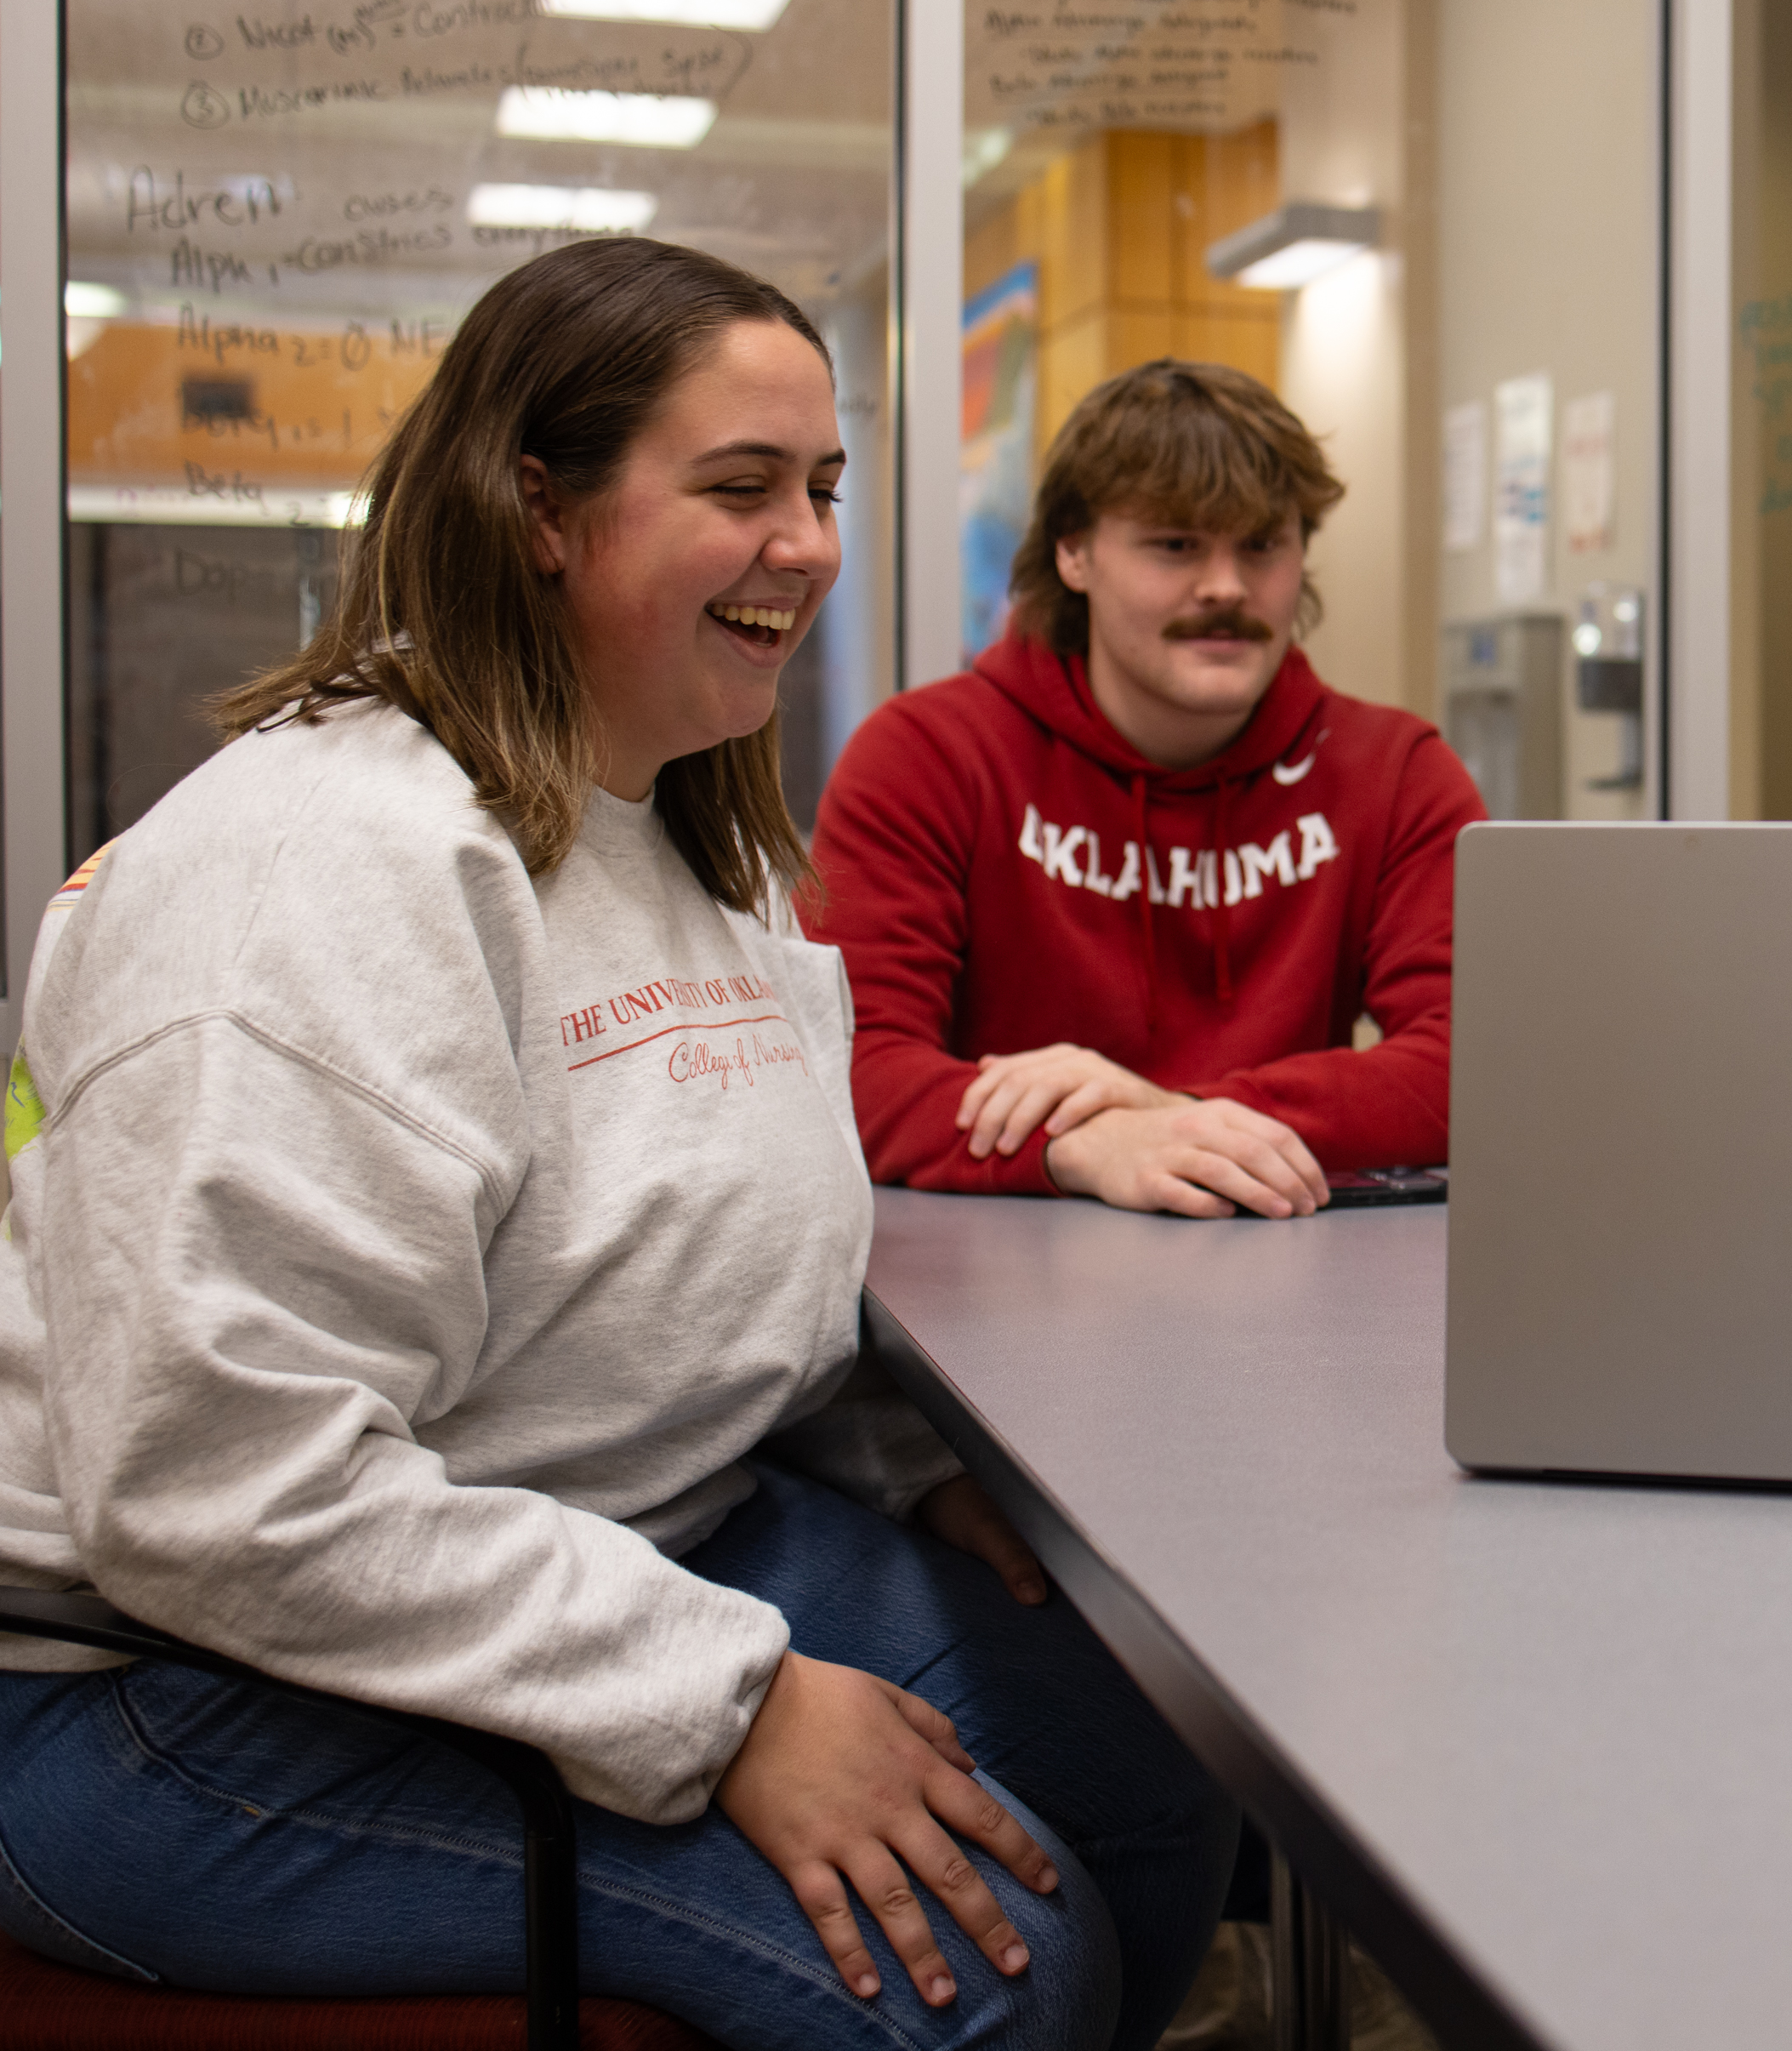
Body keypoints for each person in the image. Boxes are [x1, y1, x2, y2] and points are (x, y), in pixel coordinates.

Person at [0, 238, 1234, 2049]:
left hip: (591, 1539)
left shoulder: (685, 846)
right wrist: (727, 1705)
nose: (808, 545)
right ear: (539, 510)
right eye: (739, 489)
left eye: (819, 487)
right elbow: (220, 1488)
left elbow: (684, 1268)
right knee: (985, 1977)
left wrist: (904, 1474)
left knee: (1150, 1757)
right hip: (170, 1682)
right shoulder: (315, 874)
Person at [805, 360, 1484, 1219]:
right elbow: (848, 1071)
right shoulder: (927, 756)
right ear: (1074, 552)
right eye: (1175, 545)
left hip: (1287, 1259)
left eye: (1261, 545)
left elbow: (1478, 1064)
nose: (1227, 588)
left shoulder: (1395, 771)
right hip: (1001, 1274)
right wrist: (1080, 1147)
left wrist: (1173, 1119)